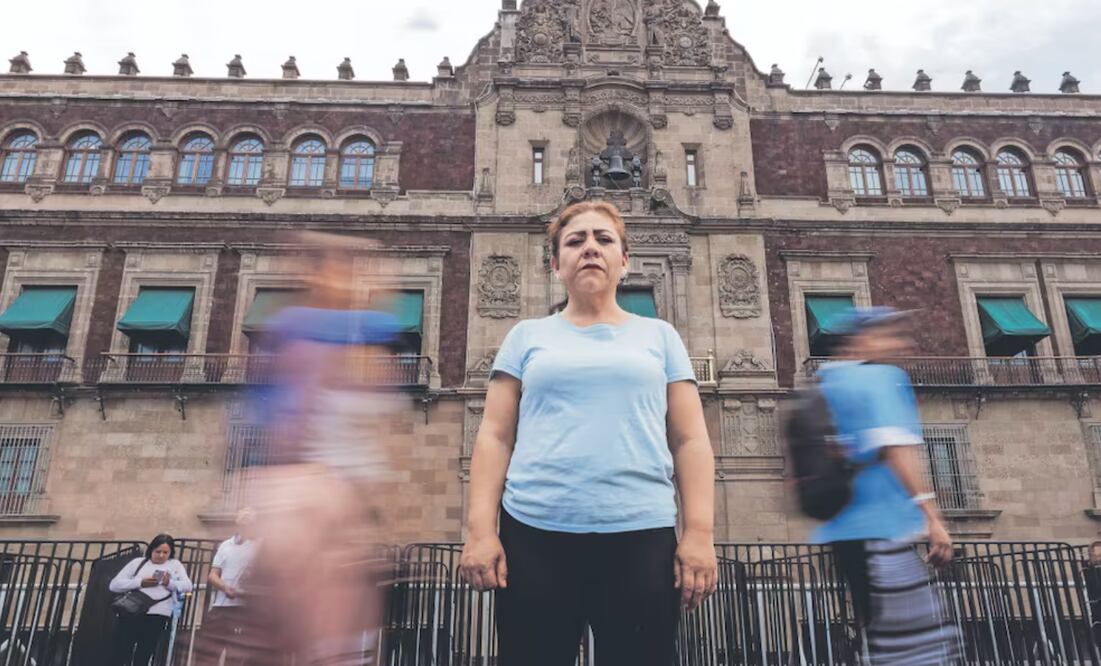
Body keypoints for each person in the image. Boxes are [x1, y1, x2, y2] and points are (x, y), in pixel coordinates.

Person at [459, 201, 717, 666]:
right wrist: (481, 531)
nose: (590, 249)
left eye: (603, 239)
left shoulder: (661, 337)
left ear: (624, 260)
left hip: (641, 533)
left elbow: (690, 439)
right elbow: (494, 436)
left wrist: (699, 532)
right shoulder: (525, 336)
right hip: (534, 535)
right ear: (555, 264)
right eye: (575, 241)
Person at [811, 307, 960, 665]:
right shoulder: (880, 379)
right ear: (863, 339)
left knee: (878, 634)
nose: (900, 343)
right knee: (917, 649)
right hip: (883, 529)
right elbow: (897, 449)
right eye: (890, 334)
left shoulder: (828, 381)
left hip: (843, 528)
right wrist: (932, 518)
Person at [109, 534, 194, 666]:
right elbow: (114, 585)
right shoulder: (138, 563)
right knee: (121, 651)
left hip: (157, 614)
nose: (161, 555)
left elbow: (188, 586)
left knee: (144, 652)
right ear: (151, 550)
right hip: (132, 612)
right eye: (157, 551)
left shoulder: (175, 565)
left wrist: (168, 583)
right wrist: (140, 583)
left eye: (165, 552)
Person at [192, 507, 259, 665]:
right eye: (243, 514)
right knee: (209, 652)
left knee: (235, 656)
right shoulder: (225, 545)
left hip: (243, 609)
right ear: (236, 520)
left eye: (250, 515)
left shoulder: (259, 546)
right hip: (221, 607)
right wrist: (225, 588)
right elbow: (212, 575)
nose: (246, 517)